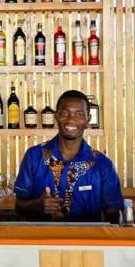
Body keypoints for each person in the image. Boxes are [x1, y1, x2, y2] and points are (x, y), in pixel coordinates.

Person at [14, 90, 123, 223]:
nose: (71, 119)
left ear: (88, 119)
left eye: (79, 114)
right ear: (56, 116)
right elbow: (19, 205)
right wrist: (37, 204)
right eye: (65, 113)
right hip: (42, 241)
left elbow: (113, 214)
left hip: (87, 241)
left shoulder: (102, 165)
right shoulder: (34, 157)